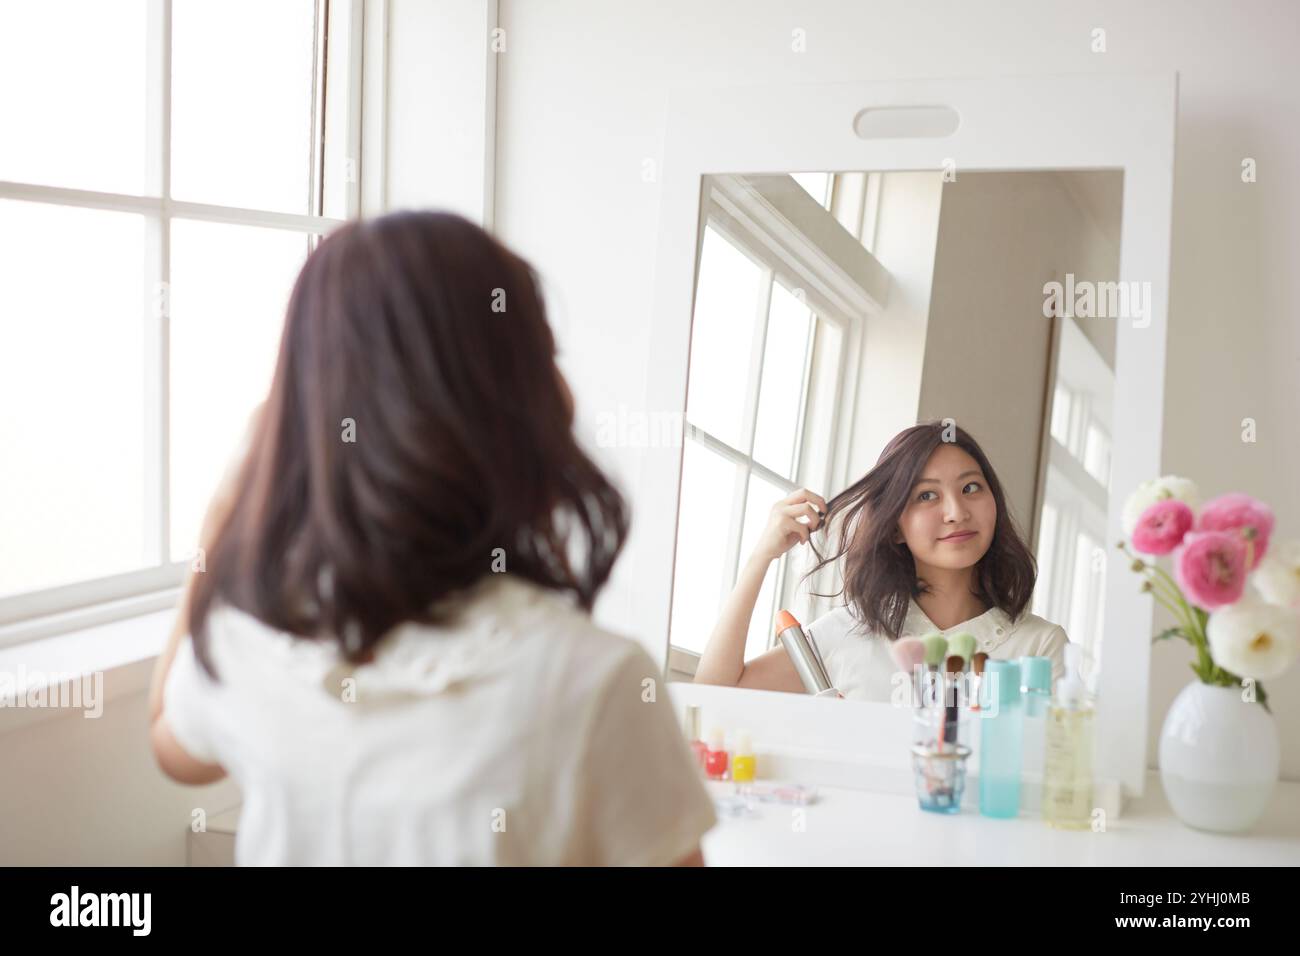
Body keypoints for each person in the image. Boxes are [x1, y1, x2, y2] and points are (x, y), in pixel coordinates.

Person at [147, 211, 716, 865]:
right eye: (545, 355)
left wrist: (223, 510)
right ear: (512, 400)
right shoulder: (593, 682)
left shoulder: (253, 637)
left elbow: (173, 748)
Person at [693, 421, 1069, 701]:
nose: (956, 512)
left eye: (971, 488)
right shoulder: (846, 634)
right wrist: (762, 556)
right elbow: (712, 696)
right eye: (926, 496)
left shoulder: (1040, 647)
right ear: (895, 528)